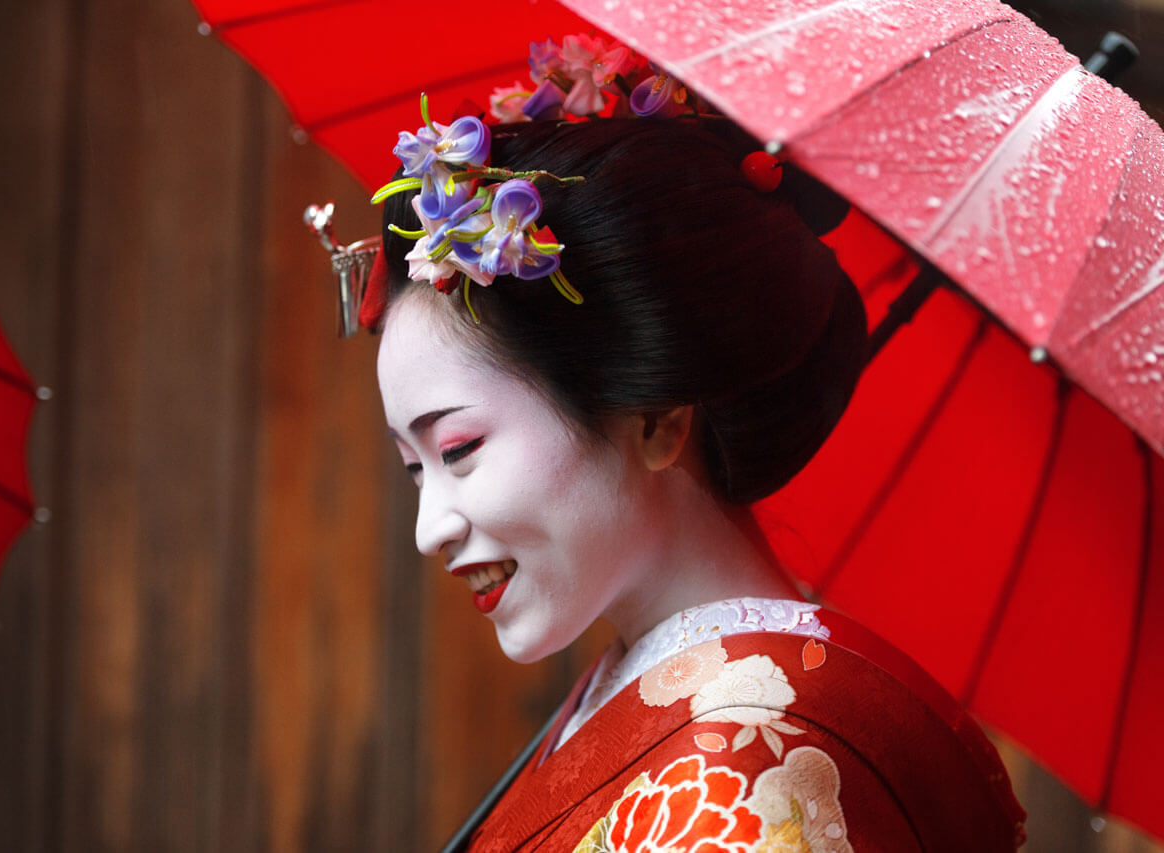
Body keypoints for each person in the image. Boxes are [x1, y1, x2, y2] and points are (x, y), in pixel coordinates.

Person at [366, 50, 1026, 851]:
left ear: (654, 419)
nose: (428, 527)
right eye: (414, 466)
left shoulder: (744, 772)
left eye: (460, 447)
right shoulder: (638, 689)